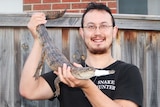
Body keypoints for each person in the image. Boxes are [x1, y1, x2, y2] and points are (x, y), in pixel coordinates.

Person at [19, 2, 143, 107]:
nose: (97, 32)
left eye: (104, 26)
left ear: (114, 31)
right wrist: (38, 39)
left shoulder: (128, 72)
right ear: (82, 32)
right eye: (91, 26)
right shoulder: (66, 72)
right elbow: (28, 90)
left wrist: (86, 85)